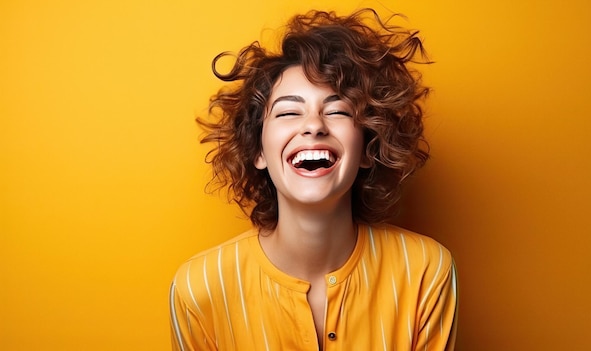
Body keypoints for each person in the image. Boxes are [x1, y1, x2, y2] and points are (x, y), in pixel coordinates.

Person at [170, 8, 457, 351]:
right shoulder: (199, 288)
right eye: (289, 112)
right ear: (257, 151)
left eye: (337, 110)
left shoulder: (426, 271)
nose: (313, 125)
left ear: (368, 147)